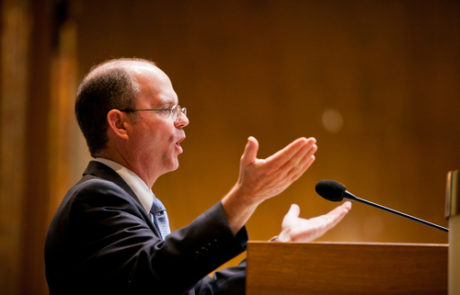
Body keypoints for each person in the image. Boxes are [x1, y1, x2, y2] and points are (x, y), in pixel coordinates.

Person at [44, 58, 351, 295]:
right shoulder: (94, 198)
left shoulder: (134, 205)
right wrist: (244, 197)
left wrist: (281, 251)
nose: (184, 120)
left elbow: (199, 292)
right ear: (120, 124)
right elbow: (152, 279)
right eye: (167, 109)